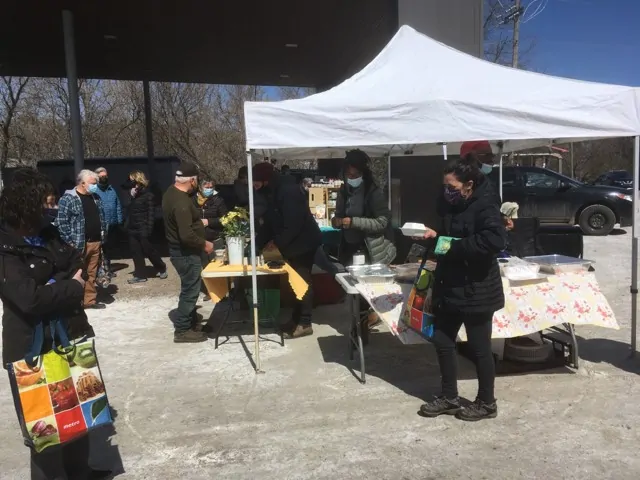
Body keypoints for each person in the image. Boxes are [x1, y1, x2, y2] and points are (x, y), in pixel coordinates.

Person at [0, 168, 110, 480]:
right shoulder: (5, 245)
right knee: (45, 429)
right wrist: (70, 288)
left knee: (81, 412)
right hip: (31, 347)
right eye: (45, 203)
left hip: (71, 333)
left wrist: (53, 286)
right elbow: (28, 299)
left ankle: (81, 473)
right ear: (24, 204)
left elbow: (77, 263)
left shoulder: (48, 232)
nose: (51, 208)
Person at [417, 156, 507, 422]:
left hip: (477, 286)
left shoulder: (487, 204)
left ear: (469, 184)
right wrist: (433, 238)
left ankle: (487, 402)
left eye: (452, 187)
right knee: (443, 340)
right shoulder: (448, 203)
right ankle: (449, 396)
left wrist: (448, 244)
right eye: (445, 186)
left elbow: (493, 240)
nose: (447, 192)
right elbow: (444, 236)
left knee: (479, 348)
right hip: (449, 284)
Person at [253, 162, 322, 339]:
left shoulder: (288, 191)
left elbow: (293, 224)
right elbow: (269, 221)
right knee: (294, 283)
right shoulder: (270, 192)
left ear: (265, 179)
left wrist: (277, 242)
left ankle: (305, 323)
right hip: (291, 244)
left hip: (303, 243)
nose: (253, 185)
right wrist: (257, 245)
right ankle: (295, 319)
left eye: (256, 181)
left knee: (302, 282)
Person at [332, 149, 396, 328]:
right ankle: (362, 322)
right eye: (348, 174)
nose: (352, 177)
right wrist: (337, 221)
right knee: (354, 289)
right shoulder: (343, 191)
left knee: (366, 290)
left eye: (356, 174)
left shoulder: (373, 193)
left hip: (370, 248)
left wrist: (354, 222)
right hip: (349, 246)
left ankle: (363, 325)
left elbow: (382, 222)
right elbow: (338, 216)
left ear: (363, 172)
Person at [162, 162, 214, 343]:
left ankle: (191, 322)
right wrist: (204, 244)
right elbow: (186, 235)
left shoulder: (171, 193)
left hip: (181, 251)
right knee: (190, 290)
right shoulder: (181, 202)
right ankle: (183, 330)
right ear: (192, 180)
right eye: (196, 180)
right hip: (185, 252)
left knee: (190, 287)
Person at [56, 170, 108, 310]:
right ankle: (74, 301)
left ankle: (89, 300)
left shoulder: (96, 197)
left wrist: (103, 234)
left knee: (92, 272)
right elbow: (61, 222)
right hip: (77, 244)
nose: (95, 186)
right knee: (76, 273)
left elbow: (102, 217)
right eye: (93, 183)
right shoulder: (68, 199)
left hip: (95, 242)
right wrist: (70, 242)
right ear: (82, 183)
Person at [125, 171, 167, 284]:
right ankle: (140, 274)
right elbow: (127, 208)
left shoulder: (148, 195)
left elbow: (151, 213)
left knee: (148, 249)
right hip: (132, 227)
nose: (131, 183)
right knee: (135, 251)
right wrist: (130, 196)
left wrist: (149, 229)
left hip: (143, 227)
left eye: (132, 180)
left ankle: (161, 267)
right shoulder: (131, 194)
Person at [94, 167, 123, 277]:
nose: (104, 178)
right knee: (101, 248)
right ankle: (101, 270)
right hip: (101, 225)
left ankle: (107, 269)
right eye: (101, 176)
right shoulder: (94, 190)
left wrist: (119, 220)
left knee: (108, 248)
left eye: (105, 176)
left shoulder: (112, 190)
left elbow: (118, 205)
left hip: (112, 224)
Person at [194, 177, 228, 249]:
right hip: (197, 238)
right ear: (200, 188)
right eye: (206, 187)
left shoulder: (218, 201)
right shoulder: (193, 200)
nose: (209, 189)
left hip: (214, 237)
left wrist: (208, 222)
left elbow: (225, 219)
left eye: (211, 187)